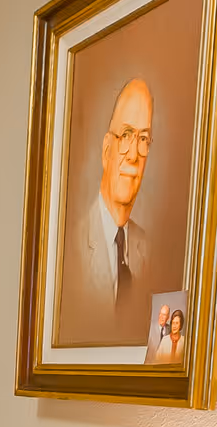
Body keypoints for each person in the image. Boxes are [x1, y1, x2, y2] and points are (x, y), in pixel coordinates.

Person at [70, 78, 154, 326]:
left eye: (143, 140)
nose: (134, 155)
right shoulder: (73, 247)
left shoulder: (148, 249)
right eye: (127, 135)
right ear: (107, 150)